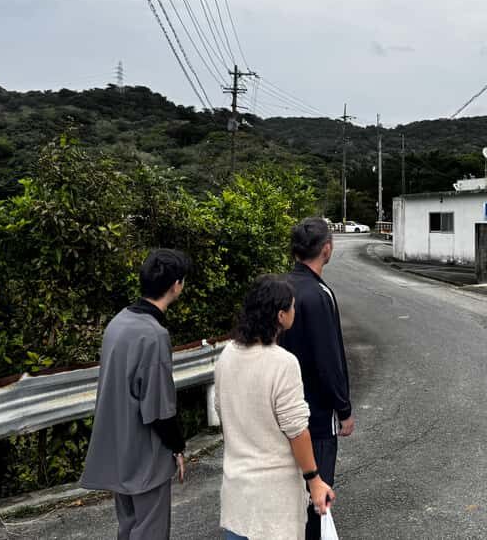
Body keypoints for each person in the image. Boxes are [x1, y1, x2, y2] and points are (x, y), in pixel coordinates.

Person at [215, 275, 335, 540]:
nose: (295, 311)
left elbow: (222, 411)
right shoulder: (283, 363)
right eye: (292, 307)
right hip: (273, 498)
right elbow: (297, 431)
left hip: (237, 491)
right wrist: (314, 479)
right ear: (281, 316)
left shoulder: (227, 355)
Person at [81, 248, 190, 540]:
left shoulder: (118, 322)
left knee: (127, 528)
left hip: (119, 448)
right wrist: (177, 447)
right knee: (151, 531)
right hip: (146, 455)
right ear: (176, 285)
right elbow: (158, 408)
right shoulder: (154, 335)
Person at [280, 217, 353, 540]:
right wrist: (345, 408)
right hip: (317, 415)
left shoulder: (280, 288)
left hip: (282, 411)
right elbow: (329, 360)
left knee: (290, 494)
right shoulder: (320, 294)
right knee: (317, 494)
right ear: (326, 249)